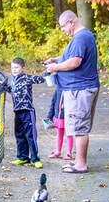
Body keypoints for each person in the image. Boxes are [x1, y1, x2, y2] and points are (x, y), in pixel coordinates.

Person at [43, 10, 100, 174]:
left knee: (79, 125)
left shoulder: (81, 37)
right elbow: (71, 56)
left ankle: (81, 164)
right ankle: (77, 161)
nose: (63, 30)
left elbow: (75, 62)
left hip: (80, 89)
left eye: (63, 26)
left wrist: (56, 67)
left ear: (71, 22)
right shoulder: (81, 37)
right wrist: (57, 59)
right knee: (76, 125)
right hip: (76, 88)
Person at [0, 57, 46, 169]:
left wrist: (48, 71)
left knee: (30, 135)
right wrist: (4, 86)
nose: (14, 70)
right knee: (19, 134)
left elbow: (41, 79)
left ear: (22, 68)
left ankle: (35, 159)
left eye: (16, 67)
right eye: (12, 68)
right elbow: (13, 91)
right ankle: (23, 157)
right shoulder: (14, 79)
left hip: (27, 110)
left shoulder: (27, 78)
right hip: (18, 111)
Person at [46, 85, 74, 160]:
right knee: (59, 134)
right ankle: (58, 151)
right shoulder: (58, 88)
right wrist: (50, 115)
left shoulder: (71, 89)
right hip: (58, 117)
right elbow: (53, 102)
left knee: (69, 134)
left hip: (68, 116)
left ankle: (69, 152)